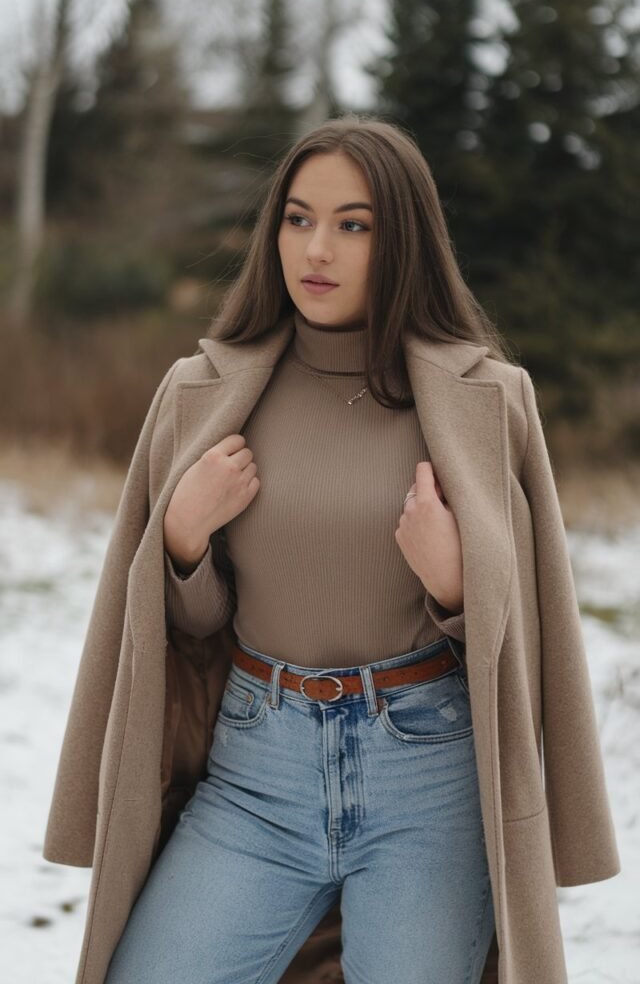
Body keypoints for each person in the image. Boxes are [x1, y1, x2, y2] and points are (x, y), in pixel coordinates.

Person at [45, 114, 620, 984]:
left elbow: (529, 647)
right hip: (256, 771)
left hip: (427, 780)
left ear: (405, 242)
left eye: (354, 225)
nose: (317, 249)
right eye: (298, 218)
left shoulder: (487, 401)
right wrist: (182, 540)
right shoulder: (201, 392)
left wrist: (458, 588)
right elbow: (186, 632)